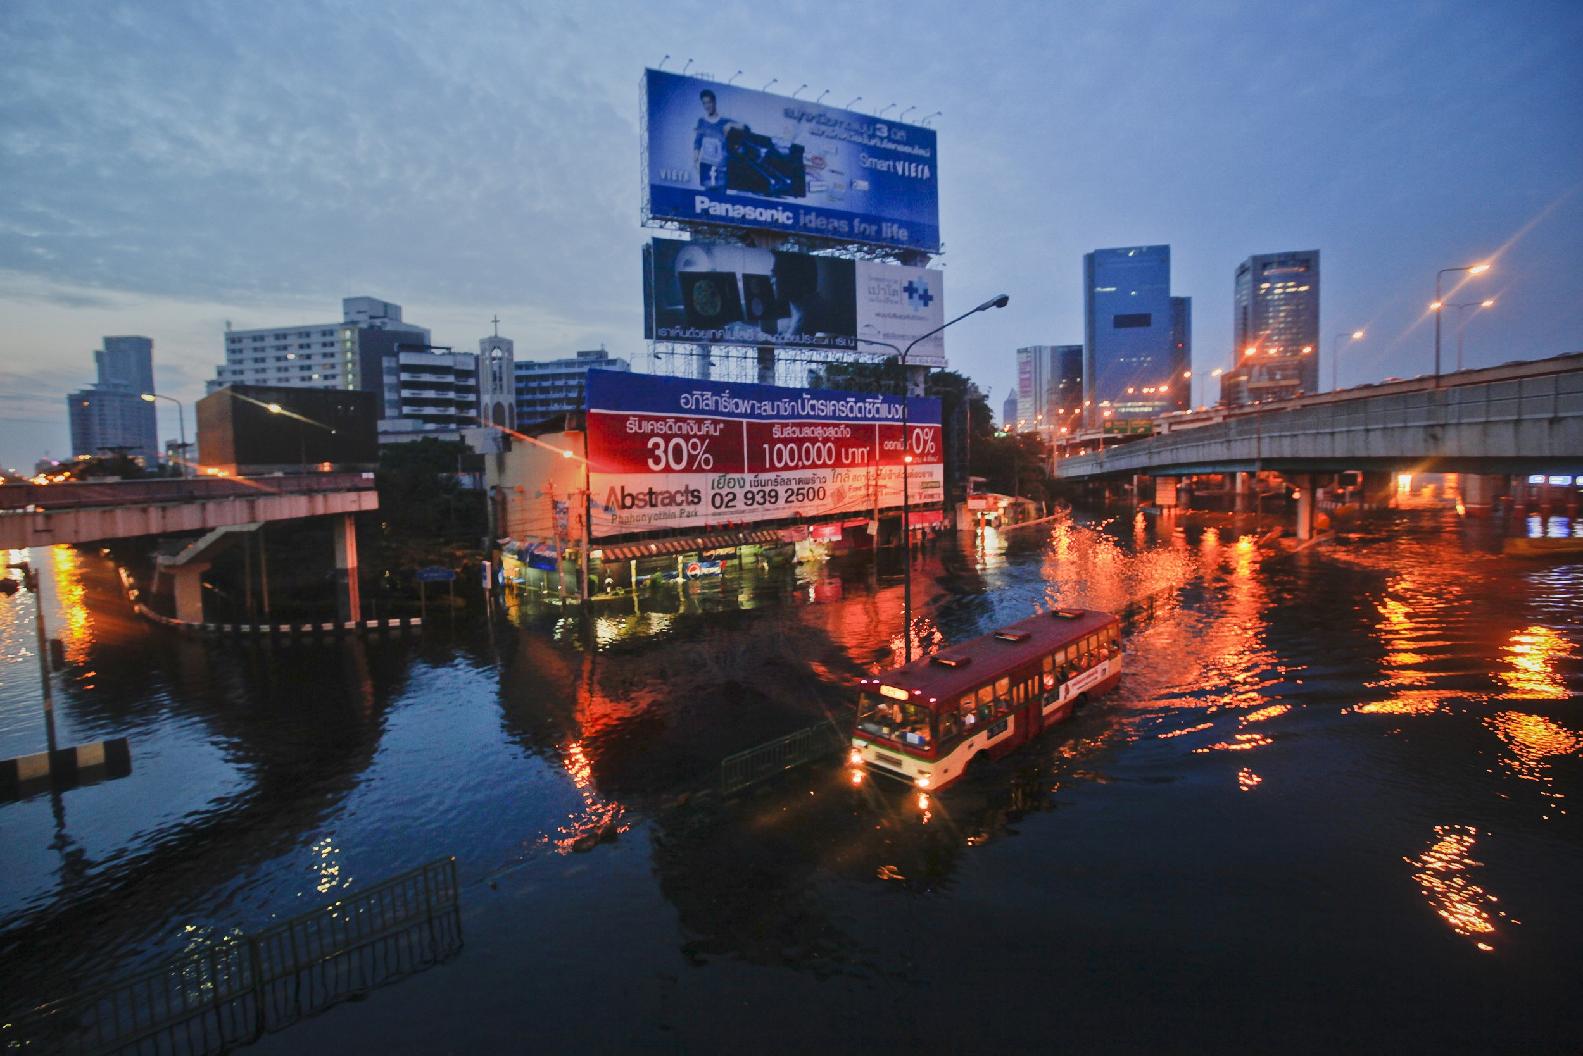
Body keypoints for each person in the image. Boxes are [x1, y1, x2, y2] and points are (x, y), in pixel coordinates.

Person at [692, 89, 739, 190]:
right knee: (707, 195)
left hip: (721, 166)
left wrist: (731, 124)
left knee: (721, 198)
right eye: (704, 103)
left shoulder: (724, 121)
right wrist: (695, 160)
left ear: (714, 102)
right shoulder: (702, 121)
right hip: (707, 165)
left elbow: (744, 126)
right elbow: (697, 142)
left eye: (709, 102)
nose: (707, 106)